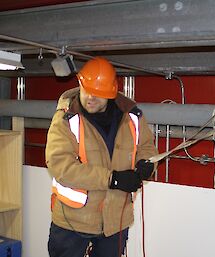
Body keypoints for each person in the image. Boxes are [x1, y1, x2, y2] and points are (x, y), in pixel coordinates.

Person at [45, 57, 158, 257]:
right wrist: (112, 178)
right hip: (73, 222)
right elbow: (61, 167)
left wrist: (147, 163)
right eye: (86, 90)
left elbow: (146, 146)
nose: (90, 97)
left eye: (98, 94)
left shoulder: (132, 117)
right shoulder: (65, 119)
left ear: (111, 93)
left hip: (115, 223)